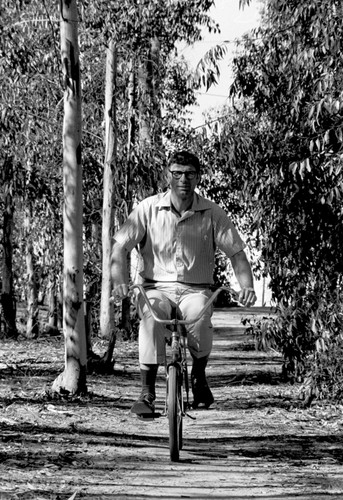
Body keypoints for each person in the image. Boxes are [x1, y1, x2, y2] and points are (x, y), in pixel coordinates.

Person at [111, 150, 256, 416]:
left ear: (198, 177)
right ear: (167, 176)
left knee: (199, 317)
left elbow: (236, 254)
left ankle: (199, 377)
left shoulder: (213, 213)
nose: (183, 179)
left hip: (196, 290)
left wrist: (247, 287)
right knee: (152, 319)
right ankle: (147, 392)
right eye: (177, 173)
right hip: (155, 288)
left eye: (189, 174)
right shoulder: (147, 209)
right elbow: (119, 249)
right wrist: (120, 283)